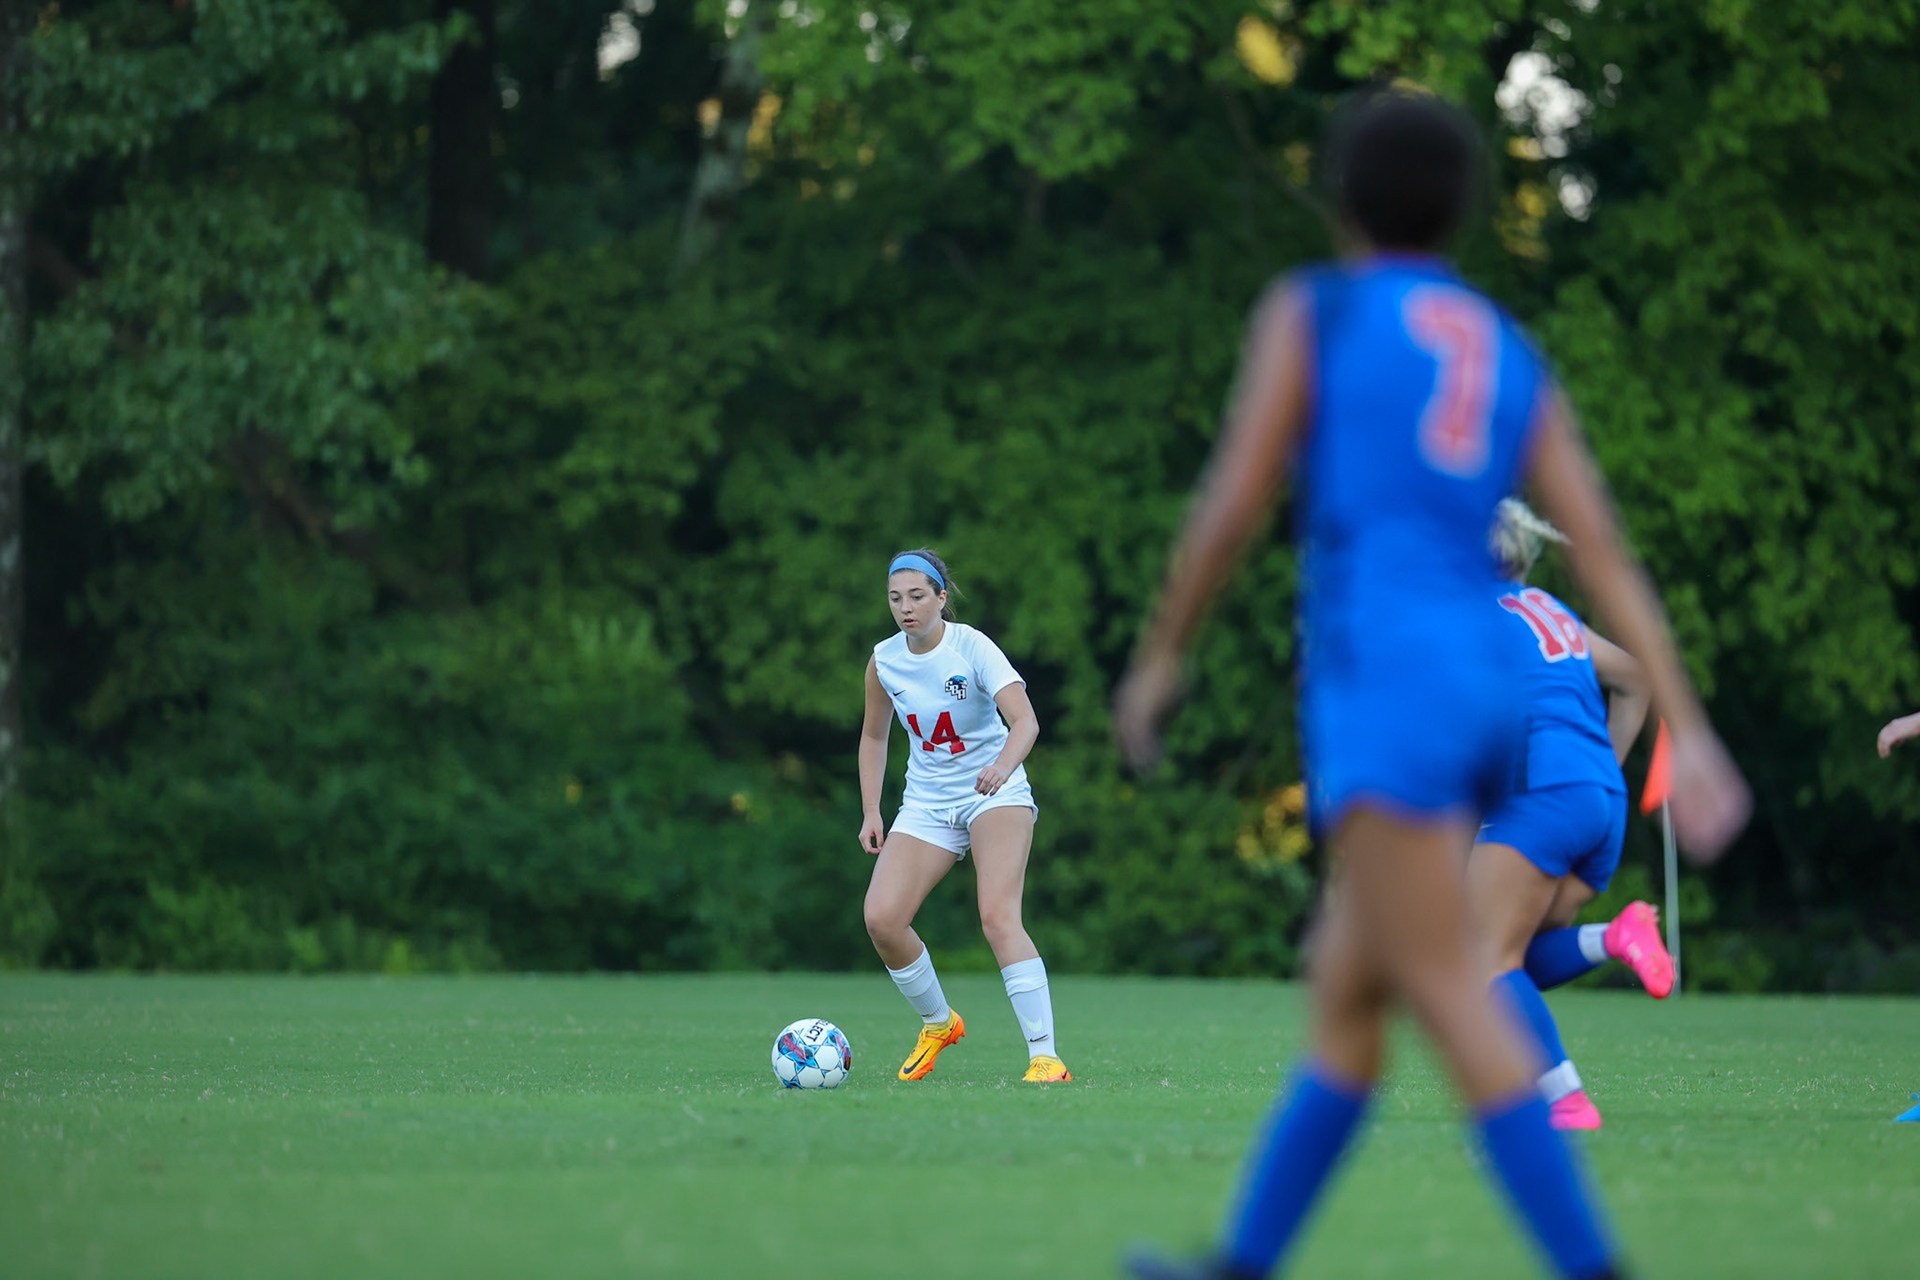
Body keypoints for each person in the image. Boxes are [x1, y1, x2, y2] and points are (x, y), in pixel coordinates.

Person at [1113, 90, 1749, 1280]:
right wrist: (1693, 728)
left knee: (1458, 991)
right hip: (1476, 681)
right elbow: (1602, 547)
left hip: (1387, 675)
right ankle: (1240, 1261)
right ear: (1462, 212)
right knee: (1349, 994)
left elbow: (1232, 503)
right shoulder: (1502, 340)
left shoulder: (1316, 313)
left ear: (1339, 199)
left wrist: (1161, 656)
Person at [1470, 498, 1674, 1133]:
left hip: (1541, 796)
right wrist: (1603, 770)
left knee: (1479, 959)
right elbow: (1638, 678)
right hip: (1599, 801)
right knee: (1511, 953)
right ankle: (1615, 937)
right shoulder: (1549, 612)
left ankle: (1566, 1098)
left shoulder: (1472, 617)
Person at [857, 549, 1071, 1084]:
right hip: (927, 802)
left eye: (917, 596)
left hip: (992, 793)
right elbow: (874, 735)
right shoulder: (884, 660)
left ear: (940, 598)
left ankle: (1045, 1057)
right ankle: (938, 1022)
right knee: (882, 919)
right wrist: (870, 810)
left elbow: (1025, 721)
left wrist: (1002, 766)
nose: (905, 607)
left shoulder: (972, 646)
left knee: (999, 917)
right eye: (895, 598)